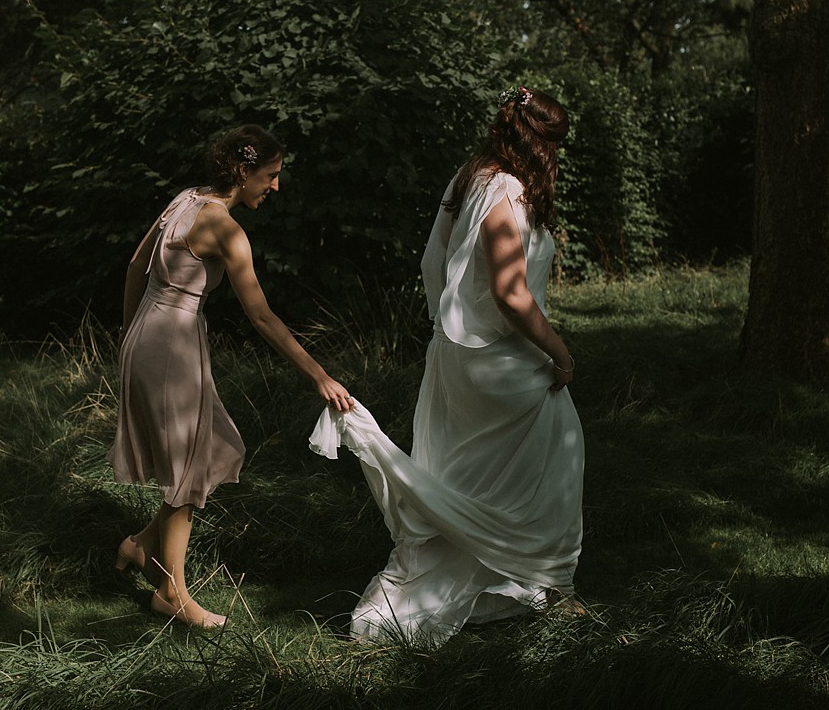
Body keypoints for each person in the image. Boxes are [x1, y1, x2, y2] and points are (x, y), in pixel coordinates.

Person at [314, 87, 584, 645]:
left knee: (469, 475)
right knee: (556, 460)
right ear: (541, 144)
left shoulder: (470, 176)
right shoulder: (508, 191)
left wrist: (448, 321)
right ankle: (553, 590)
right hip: (503, 357)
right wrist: (558, 350)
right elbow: (511, 293)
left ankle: (509, 582)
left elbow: (430, 258)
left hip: (457, 355)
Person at [108, 124, 354, 629]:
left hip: (148, 335)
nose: (276, 186)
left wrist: (128, 338)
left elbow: (135, 266)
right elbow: (261, 317)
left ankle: (141, 546)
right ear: (243, 172)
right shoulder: (225, 228)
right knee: (187, 469)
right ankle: (171, 593)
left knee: (215, 449)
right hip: (171, 346)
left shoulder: (184, 198)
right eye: (270, 175)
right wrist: (319, 376)